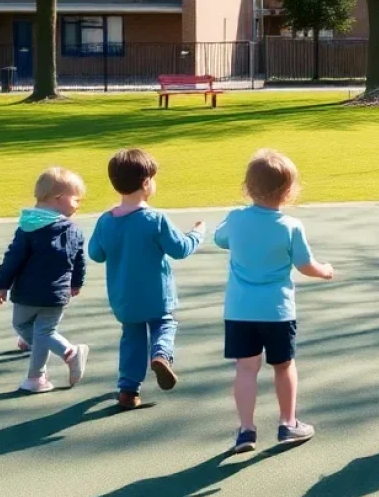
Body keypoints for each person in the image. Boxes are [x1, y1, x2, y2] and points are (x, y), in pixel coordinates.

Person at [213, 149, 334, 453]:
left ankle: (246, 430)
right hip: (277, 311)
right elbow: (306, 265)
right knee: (283, 366)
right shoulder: (290, 226)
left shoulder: (237, 218)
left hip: (240, 311)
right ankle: (288, 423)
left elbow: (219, 239)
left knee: (245, 368)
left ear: (247, 187)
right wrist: (324, 272)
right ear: (289, 191)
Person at [88, 149, 204, 410]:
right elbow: (180, 249)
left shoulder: (106, 220)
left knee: (132, 337)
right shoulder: (155, 219)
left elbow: (96, 254)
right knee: (164, 324)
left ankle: (128, 390)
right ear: (146, 183)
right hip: (156, 295)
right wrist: (197, 233)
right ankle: (161, 355)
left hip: (124, 299)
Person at [0, 168, 90, 393]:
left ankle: (39, 376)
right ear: (59, 199)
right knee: (34, 330)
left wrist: (2, 284)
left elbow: (13, 259)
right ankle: (68, 353)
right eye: (76, 199)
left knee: (33, 329)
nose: (78, 204)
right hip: (50, 293)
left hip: (34, 293)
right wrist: (76, 282)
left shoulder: (28, 227)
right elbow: (79, 261)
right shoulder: (67, 229)